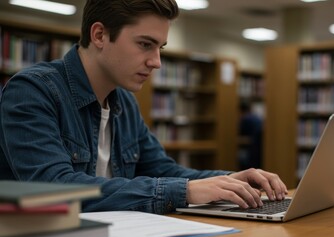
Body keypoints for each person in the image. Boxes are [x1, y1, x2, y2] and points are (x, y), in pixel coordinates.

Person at [0, 0, 287, 214]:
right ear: (99, 35)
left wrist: (227, 181)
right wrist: (185, 190)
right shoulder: (33, 91)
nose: (156, 62)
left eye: (159, 48)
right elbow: (54, 189)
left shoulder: (124, 101)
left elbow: (163, 170)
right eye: (145, 44)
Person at [238, 101, 263, 170]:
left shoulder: (246, 119)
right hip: (259, 147)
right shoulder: (256, 117)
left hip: (254, 147)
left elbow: (241, 133)